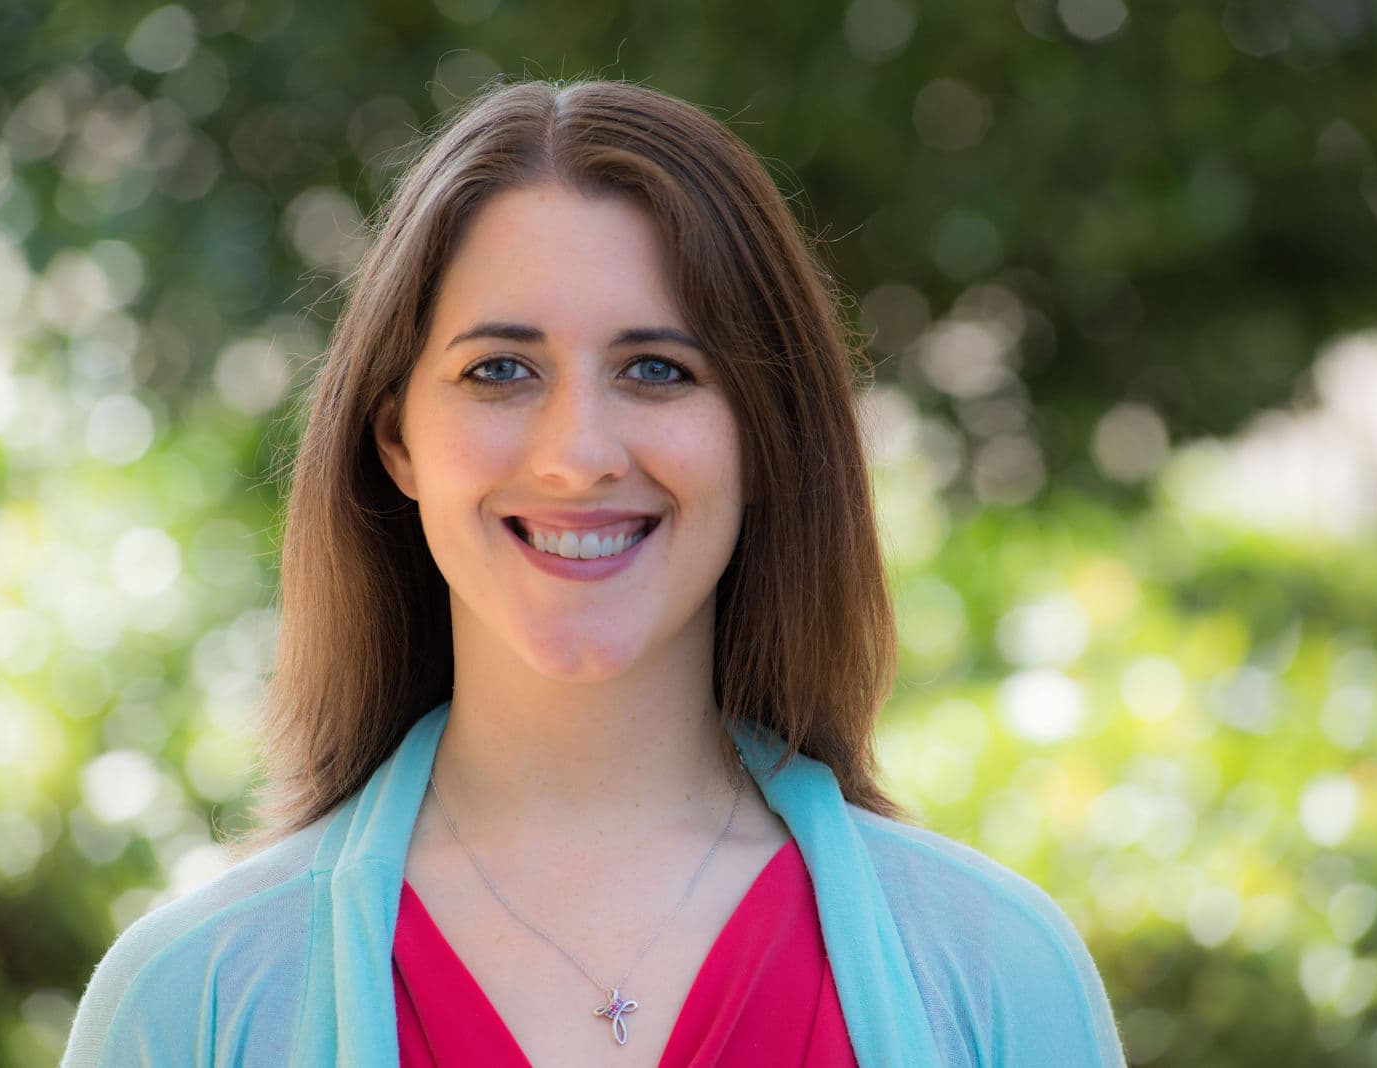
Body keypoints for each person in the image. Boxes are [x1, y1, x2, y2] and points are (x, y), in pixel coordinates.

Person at [62, 80, 1125, 1067]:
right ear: (396, 441)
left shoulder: (998, 972)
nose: (577, 455)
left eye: (657, 369)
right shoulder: (191, 1001)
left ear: (765, 437)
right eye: (500, 370)